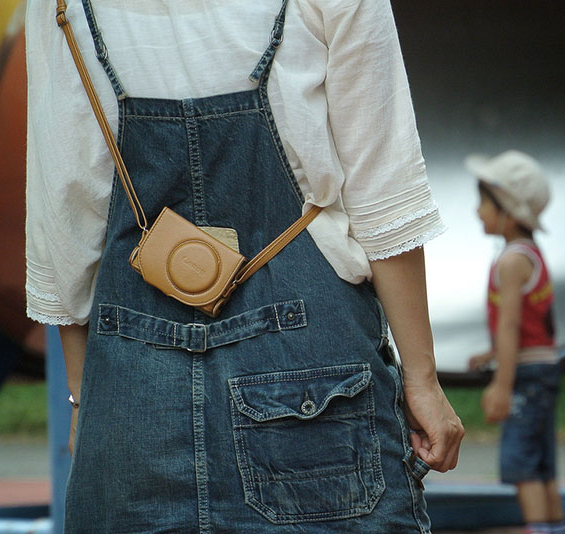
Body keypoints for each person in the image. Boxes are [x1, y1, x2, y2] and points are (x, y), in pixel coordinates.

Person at [25, 0, 464, 532]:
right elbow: (383, 187)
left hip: (130, 377)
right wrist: (421, 380)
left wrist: (83, 396)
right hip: (309, 358)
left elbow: (66, 201)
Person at [466, 151, 565, 534]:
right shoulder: (530, 254)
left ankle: (538, 528)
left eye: (484, 204)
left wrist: (501, 385)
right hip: (542, 366)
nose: (478, 212)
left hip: (525, 374)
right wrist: (491, 353)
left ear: (508, 211)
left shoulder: (511, 261)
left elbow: (510, 326)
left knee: (523, 463)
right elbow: (529, 323)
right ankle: (557, 526)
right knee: (543, 466)